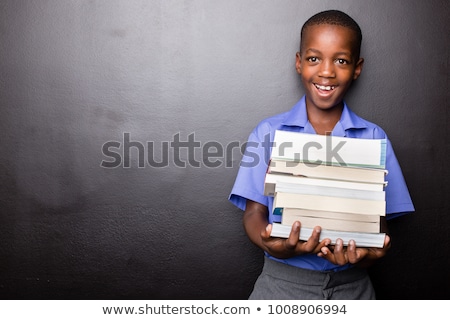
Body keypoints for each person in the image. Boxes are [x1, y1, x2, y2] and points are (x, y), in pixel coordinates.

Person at [229, 10, 414, 300]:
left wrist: (368, 255)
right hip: (281, 285)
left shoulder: (374, 137)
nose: (326, 72)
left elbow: (379, 225)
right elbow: (254, 213)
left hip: (353, 288)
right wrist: (271, 244)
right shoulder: (268, 133)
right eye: (314, 58)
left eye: (340, 60)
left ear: (357, 67)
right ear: (299, 63)